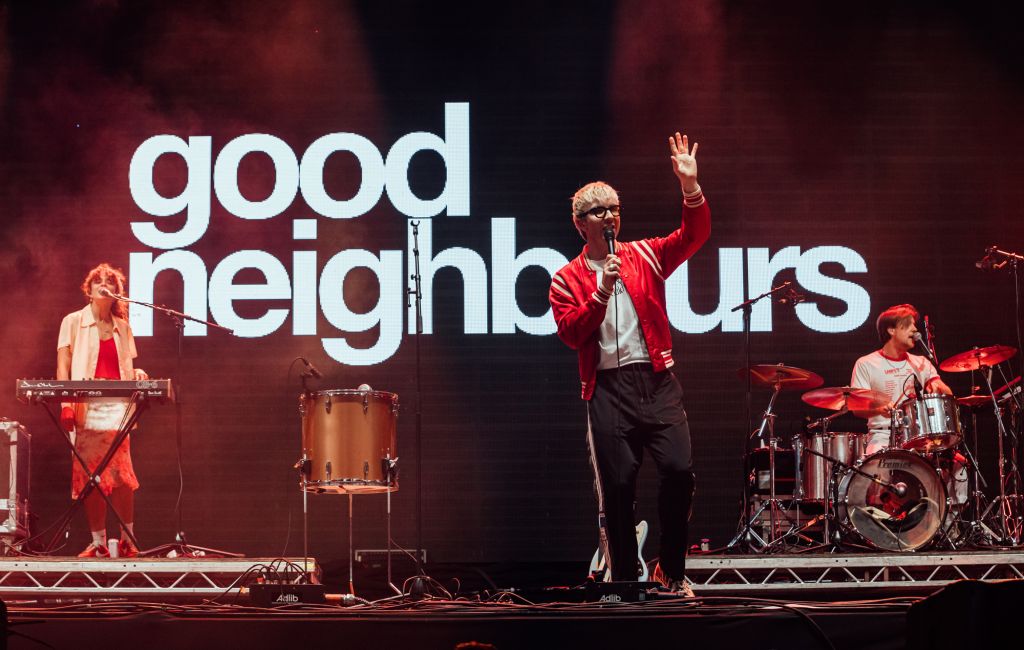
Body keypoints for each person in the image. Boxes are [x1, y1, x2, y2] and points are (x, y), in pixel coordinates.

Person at [549, 132, 711, 595]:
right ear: (580, 224)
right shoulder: (565, 278)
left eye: (614, 209)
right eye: (599, 211)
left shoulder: (644, 255)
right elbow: (572, 332)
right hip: (607, 390)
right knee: (617, 491)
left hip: (656, 381)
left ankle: (672, 572)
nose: (610, 217)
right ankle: (623, 582)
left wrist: (690, 187)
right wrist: (600, 293)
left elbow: (694, 236)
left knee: (679, 471)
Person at [57, 263, 147, 558]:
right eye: (99, 280)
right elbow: (63, 366)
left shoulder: (123, 327)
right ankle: (98, 542)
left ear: (117, 292)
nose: (104, 283)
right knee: (90, 474)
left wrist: (138, 374)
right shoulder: (73, 321)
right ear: (90, 288)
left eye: (110, 281)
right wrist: (66, 402)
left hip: (116, 407)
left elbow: (126, 367)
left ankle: (128, 540)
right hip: (87, 406)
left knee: (122, 474)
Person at [850, 304, 953, 456]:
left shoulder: (921, 362)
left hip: (919, 437)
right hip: (882, 436)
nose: (914, 330)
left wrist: (939, 387)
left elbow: (947, 394)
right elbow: (857, 409)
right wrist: (879, 410)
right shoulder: (866, 363)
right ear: (891, 330)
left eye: (914, 325)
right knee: (877, 469)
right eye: (908, 325)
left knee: (959, 468)